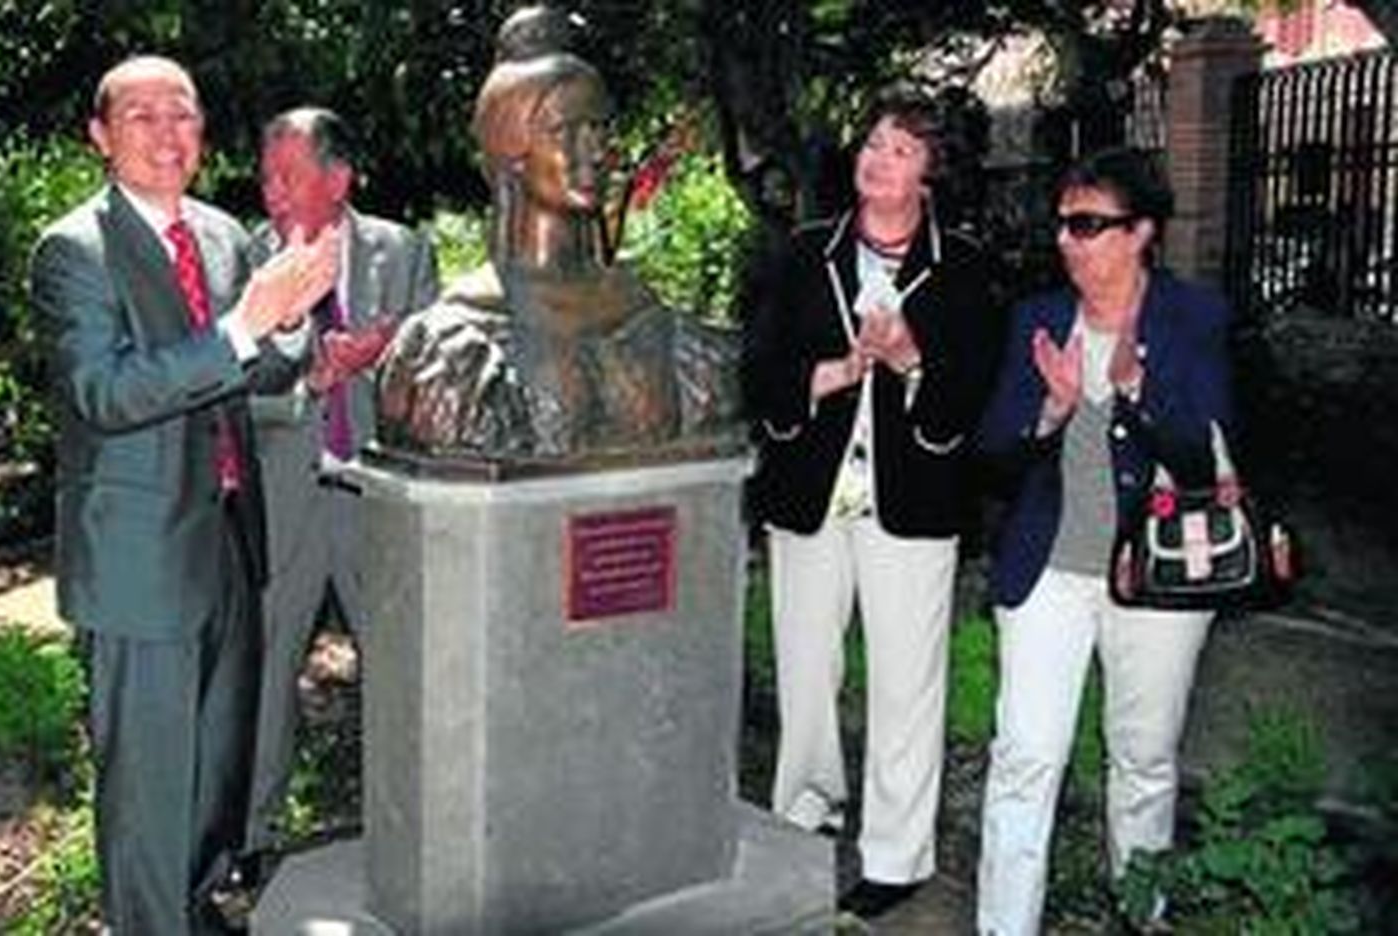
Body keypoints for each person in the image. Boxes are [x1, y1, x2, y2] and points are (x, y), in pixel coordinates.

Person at [30, 55, 336, 933]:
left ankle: (200, 913)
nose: (169, 134)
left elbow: (256, 369)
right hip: (137, 561)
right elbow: (107, 393)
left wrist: (295, 313)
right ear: (101, 137)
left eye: (185, 115)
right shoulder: (74, 250)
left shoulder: (220, 235)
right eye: (143, 117)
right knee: (148, 792)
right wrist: (245, 324)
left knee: (214, 775)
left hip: (231, 543)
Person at [741, 90, 1006, 920]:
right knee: (806, 669)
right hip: (810, 499)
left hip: (914, 503)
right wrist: (830, 374)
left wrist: (910, 357)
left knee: (906, 683)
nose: (876, 157)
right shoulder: (803, 251)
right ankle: (805, 808)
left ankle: (896, 854)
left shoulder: (961, 264)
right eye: (873, 143)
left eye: (899, 149)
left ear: (931, 175)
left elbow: (977, 388)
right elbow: (756, 364)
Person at [975, 148, 1234, 935]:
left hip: (1160, 578)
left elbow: (1209, 461)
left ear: (1141, 232)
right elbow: (992, 455)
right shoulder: (1039, 321)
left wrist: (1137, 392)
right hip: (1048, 570)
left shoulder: (1193, 320)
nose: (1067, 240)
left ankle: (1138, 915)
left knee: (1144, 766)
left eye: (1087, 224)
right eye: (1063, 223)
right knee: (1023, 759)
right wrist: (1050, 414)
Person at [377, 11, 737, 463]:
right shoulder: (448, 346)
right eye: (565, 132)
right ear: (511, 152)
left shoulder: (657, 320)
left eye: (599, 128)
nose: (595, 152)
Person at [242, 106, 439, 871]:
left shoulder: (404, 252)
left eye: (287, 175)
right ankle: (254, 840)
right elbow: (223, 391)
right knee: (263, 678)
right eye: (266, 174)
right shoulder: (245, 260)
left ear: (338, 178)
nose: (272, 191)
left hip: (378, 507)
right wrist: (307, 385)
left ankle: (413, 828)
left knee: (401, 673)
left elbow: (440, 378)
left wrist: (386, 353)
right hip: (284, 504)